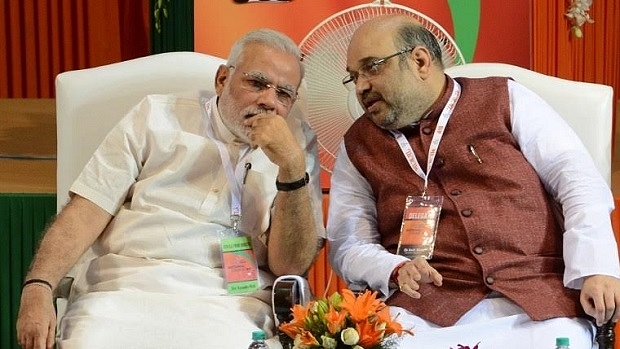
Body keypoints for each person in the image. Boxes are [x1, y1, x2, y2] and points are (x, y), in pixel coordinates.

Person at [16, 28, 325, 349]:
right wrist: (38, 287)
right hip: (124, 290)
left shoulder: (298, 144)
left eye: (283, 94)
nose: (269, 102)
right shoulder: (154, 116)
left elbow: (290, 267)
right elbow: (83, 214)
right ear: (222, 79)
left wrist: (291, 168)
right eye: (257, 83)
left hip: (231, 304)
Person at [327, 14, 620, 349]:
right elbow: (348, 245)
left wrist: (596, 268)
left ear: (420, 61)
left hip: (537, 303)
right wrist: (394, 269)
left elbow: (577, 181)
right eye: (354, 76)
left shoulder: (506, 98)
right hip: (425, 315)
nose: (361, 86)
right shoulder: (357, 145)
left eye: (372, 67)